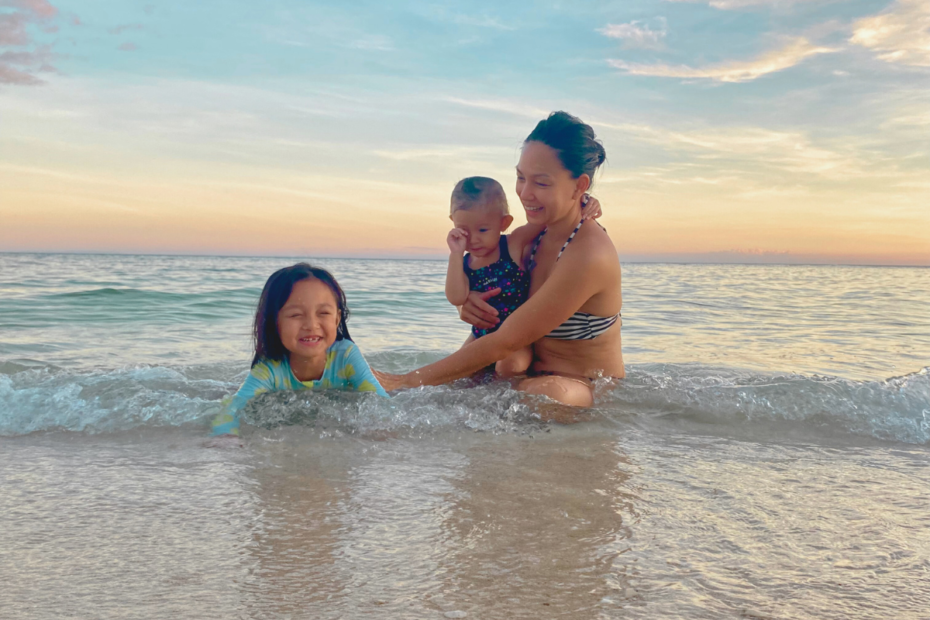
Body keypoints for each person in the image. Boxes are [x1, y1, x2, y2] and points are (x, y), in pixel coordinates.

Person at [376, 111, 623, 412]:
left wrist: (405, 381)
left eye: (541, 183)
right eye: (521, 177)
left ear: (579, 186)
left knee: (540, 395)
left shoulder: (588, 253)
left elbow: (506, 340)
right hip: (516, 368)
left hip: (580, 386)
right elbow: (481, 274)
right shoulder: (536, 234)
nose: (525, 193)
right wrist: (466, 301)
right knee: (447, 397)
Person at [210, 263, 387, 438]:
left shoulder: (346, 355)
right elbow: (231, 408)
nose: (311, 325)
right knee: (223, 393)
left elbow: (382, 403)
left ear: (337, 319)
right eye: (295, 315)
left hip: (351, 384)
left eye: (323, 313)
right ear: (274, 322)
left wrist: (380, 429)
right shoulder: (270, 369)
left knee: (393, 385)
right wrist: (226, 437)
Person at [445, 176, 534, 377]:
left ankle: (504, 406)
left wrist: (583, 202)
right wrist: (456, 254)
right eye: (464, 231)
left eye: (483, 230)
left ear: (504, 222)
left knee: (509, 366)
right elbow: (456, 298)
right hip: (480, 337)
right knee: (456, 372)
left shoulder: (512, 245)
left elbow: (552, 220)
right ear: (454, 222)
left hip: (516, 338)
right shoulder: (466, 263)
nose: (474, 239)